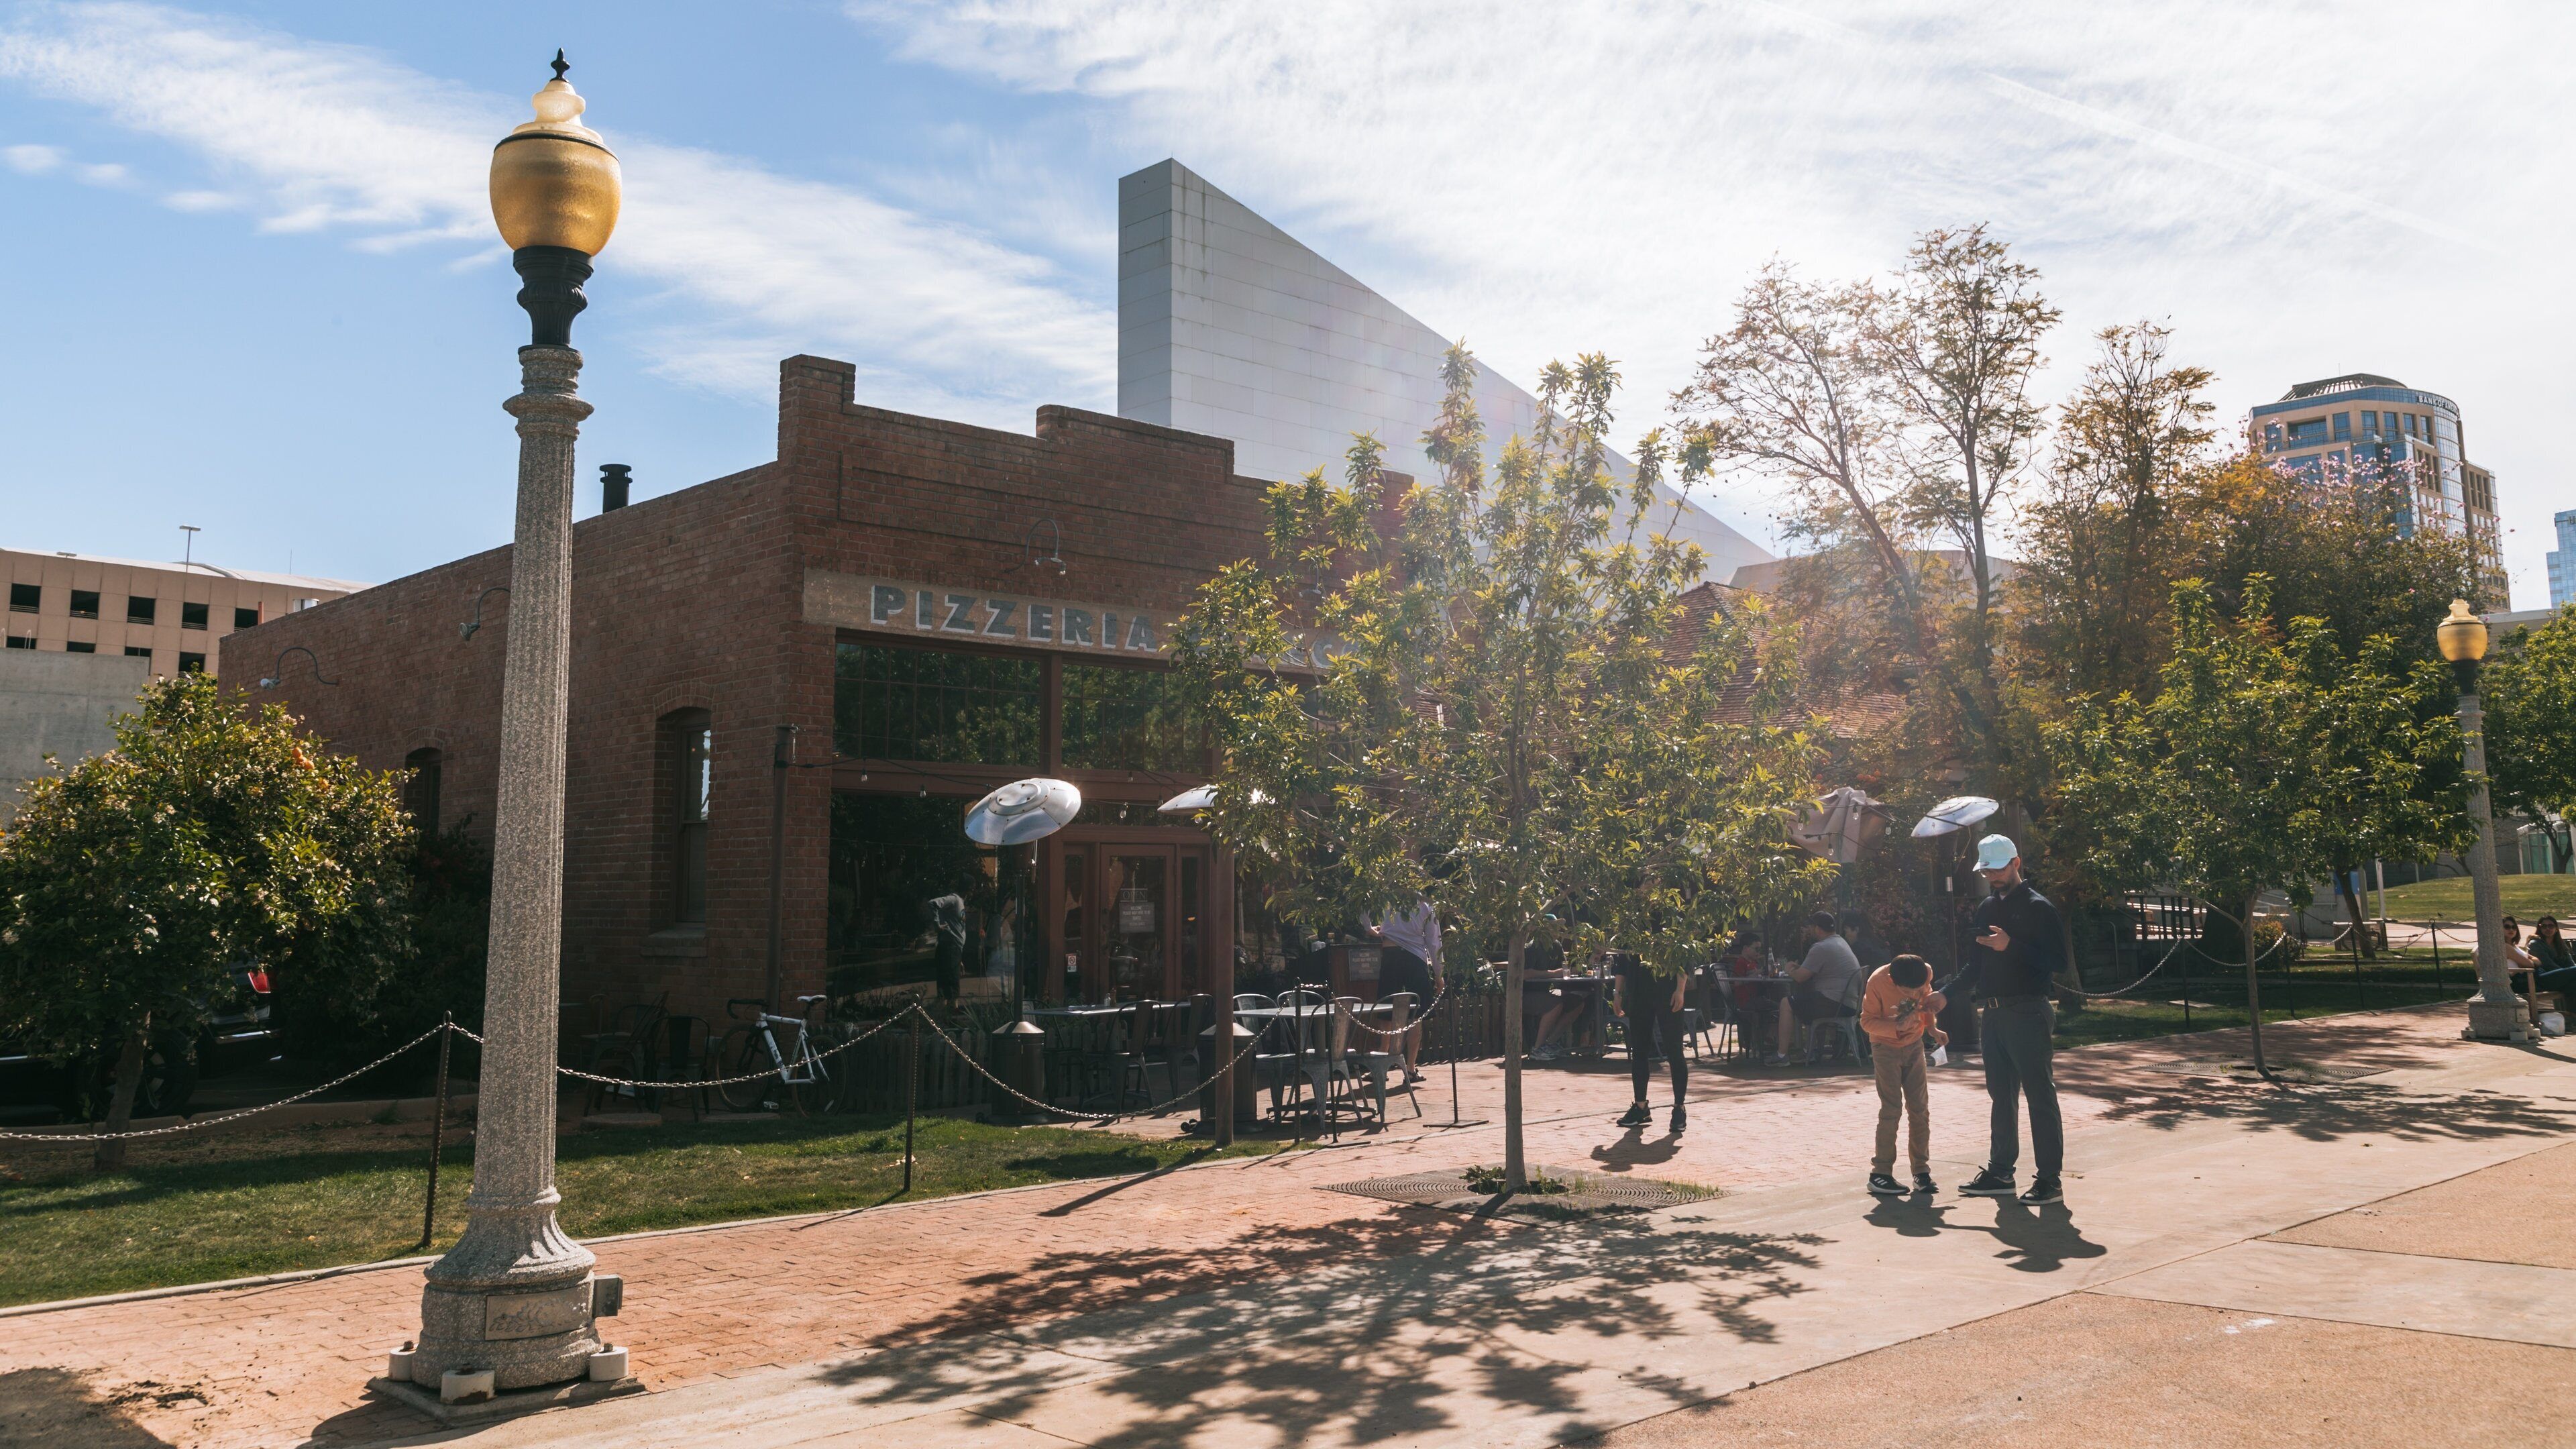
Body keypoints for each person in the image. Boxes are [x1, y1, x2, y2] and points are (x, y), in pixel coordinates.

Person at [1956, 834, 2068, 1206]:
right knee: (2001, 1096)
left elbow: (2059, 962)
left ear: (2016, 863)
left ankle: (2050, 1180)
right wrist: (1945, 994)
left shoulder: (2039, 908)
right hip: (1993, 1013)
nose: (1992, 876)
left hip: (2028, 1011)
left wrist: (2012, 946)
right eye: (1986, 871)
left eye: (1998, 869)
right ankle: (2001, 1172)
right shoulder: (1987, 907)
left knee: (2039, 1095)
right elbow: (1975, 964)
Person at [1860, 953, 1946, 1196]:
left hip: (1914, 1045)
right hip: (1885, 1047)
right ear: (1892, 980)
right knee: (1892, 1109)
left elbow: (1926, 1003)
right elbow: (1866, 1022)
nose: (1913, 994)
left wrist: (1932, 1028)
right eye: (1908, 991)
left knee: (1920, 1109)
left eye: (1918, 988)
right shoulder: (1877, 981)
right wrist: (1896, 1027)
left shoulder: (1924, 972)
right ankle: (1880, 1173)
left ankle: (1921, 1171)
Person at [1610, 950, 1690, 1132]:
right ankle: (1641, 1107)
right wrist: (1617, 993)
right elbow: (1622, 963)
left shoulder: (1669, 929)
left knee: (1674, 1051)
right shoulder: (1630, 932)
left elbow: (1683, 955)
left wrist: (1680, 989)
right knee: (1639, 1051)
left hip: (1667, 990)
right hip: (1639, 993)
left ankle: (1679, 1107)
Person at [1367, 897, 1443, 1081]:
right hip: (1415, 958)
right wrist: (1439, 974)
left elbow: (1364, 905)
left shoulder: (1387, 897)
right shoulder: (1426, 904)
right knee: (1416, 1016)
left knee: (1386, 1013)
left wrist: (1368, 928)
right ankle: (1410, 1068)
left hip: (1391, 954)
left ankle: (1382, 1067)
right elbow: (1434, 941)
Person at [1774, 911, 1864, 1064]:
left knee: (1786, 1003)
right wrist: (1800, 969)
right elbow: (1815, 970)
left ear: (1817, 928)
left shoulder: (1821, 947)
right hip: (1850, 1004)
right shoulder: (1840, 942)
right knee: (1807, 998)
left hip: (1835, 1004)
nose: (1809, 930)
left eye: (1811, 926)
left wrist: (1789, 969)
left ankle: (1782, 1056)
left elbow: (1800, 978)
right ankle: (1813, 1051)